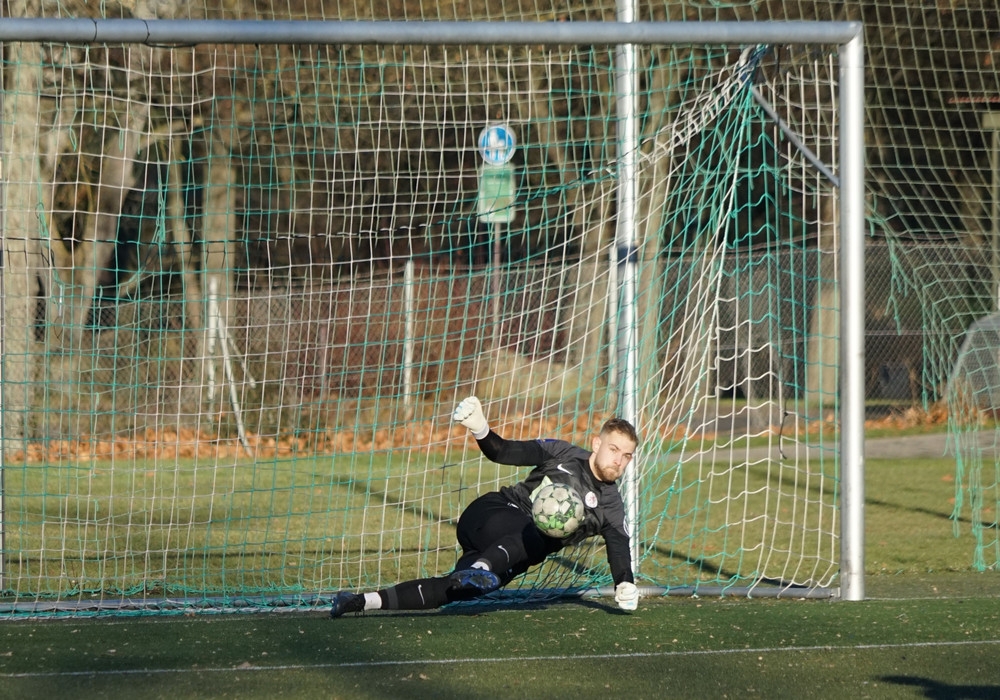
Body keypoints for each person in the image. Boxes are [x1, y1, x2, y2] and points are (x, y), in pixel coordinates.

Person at [329, 396, 641, 617]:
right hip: (492, 513)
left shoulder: (611, 507)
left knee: (458, 590)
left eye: (626, 455)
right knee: (540, 533)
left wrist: (624, 583)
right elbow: (503, 451)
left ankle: (359, 601)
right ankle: (482, 569)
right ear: (597, 444)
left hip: (509, 555)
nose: (618, 460)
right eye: (613, 449)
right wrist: (480, 428)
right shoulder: (563, 453)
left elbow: (618, 547)